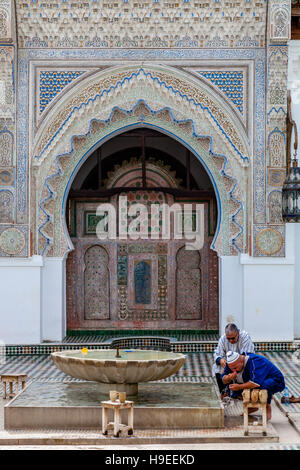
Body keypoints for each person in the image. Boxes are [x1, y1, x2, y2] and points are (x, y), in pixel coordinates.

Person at [222, 351, 285, 420]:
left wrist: (239, 387)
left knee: (264, 386)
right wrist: (229, 378)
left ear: (242, 361)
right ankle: (252, 407)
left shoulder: (255, 361)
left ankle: (267, 406)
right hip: (257, 380)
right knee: (234, 390)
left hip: (276, 381)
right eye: (231, 369)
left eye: (235, 368)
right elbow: (223, 379)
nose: (233, 370)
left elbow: (255, 383)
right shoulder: (232, 364)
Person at [212, 323, 255, 396]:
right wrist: (221, 360)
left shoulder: (245, 337)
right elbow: (217, 354)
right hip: (229, 365)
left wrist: (234, 364)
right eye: (228, 338)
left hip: (241, 364)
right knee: (217, 367)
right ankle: (223, 390)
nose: (230, 341)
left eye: (233, 338)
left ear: (238, 332)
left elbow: (246, 356)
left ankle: (241, 390)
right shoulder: (223, 338)